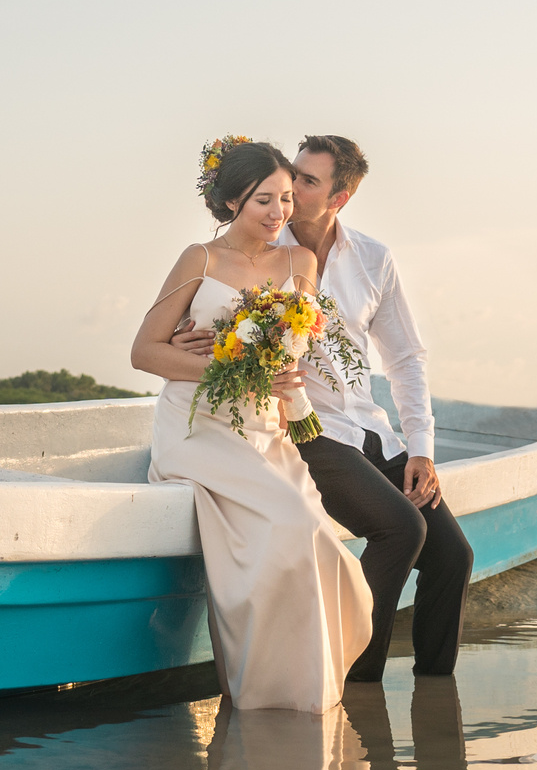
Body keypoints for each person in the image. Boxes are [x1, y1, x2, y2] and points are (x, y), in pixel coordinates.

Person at [176, 134, 472, 681]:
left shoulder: (374, 259)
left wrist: (422, 450)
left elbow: (405, 358)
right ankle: (354, 681)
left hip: (368, 425)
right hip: (302, 426)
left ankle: (436, 697)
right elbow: (207, 314)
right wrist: (189, 344)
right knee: (401, 531)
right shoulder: (262, 245)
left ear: (340, 197)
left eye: (308, 182)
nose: (290, 189)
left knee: (454, 556)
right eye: (293, 174)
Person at [132, 139, 373, 713]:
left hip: (266, 429)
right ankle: (268, 694)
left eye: (288, 198)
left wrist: (276, 372)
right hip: (199, 428)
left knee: (321, 538)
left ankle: (307, 689)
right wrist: (221, 362)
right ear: (233, 201)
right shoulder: (200, 259)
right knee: (290, 525)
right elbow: (145, 352)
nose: (279, 213)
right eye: (265, 200)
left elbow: (298, 352)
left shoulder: (300, 264)